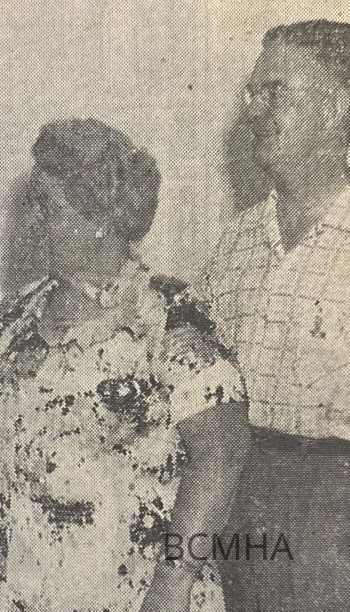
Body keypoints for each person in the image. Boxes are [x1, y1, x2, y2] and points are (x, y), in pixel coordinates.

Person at [0, 118, 251, 612]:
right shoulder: (15, 319)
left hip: (134, 596)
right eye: (30, 203)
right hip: (16, 594)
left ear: (100, 217)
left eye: (46, 206)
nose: (29, 220)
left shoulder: (167, 316)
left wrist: (171, 588)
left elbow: (222, 455)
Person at [199, 20, 350, 611]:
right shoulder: (234, 243)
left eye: (275, 92)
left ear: (334, 107)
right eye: (251, 93)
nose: (253, 110)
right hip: (238, 498)